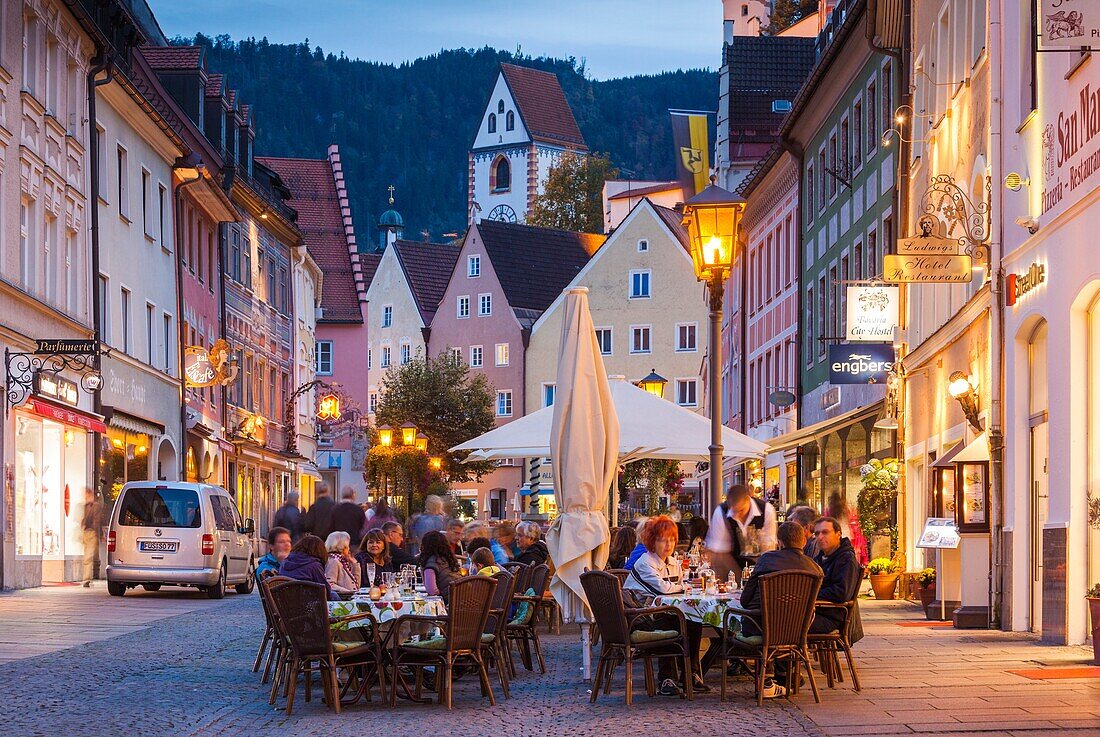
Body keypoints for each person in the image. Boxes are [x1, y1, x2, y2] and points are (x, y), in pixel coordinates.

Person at [622, 515, 711, 696]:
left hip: (658, 612)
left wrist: (683, 587)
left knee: (693, 620)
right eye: (663, 540)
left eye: (671, 540)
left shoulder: (673, 563)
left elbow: (678, 588)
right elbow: (663, 589)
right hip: (639, 617)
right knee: (672, 619)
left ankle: (690, 674)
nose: (668, 545)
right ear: (652, 542)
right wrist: (685, 586)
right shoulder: (645, 562)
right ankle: (666, 678)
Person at [738, 521, 822, 699]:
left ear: (780, 542)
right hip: (797, 630)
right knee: (783, 617)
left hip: (761, 627)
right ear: (804, 542)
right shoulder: (815, 568)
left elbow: (745, 601)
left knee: (736, 620)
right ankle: (784, 676)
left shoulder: (767, 559)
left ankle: (768, 680)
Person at [704, 483, 777, 583]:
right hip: (731, 571)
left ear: (748, 499)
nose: (737, 515)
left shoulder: (766, 510)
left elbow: (769, 549)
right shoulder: (721, 512)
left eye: (741, 510)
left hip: (760, 569)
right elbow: (719, 552)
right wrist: (737, 579)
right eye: (734, 512)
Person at [811, 517, 864, 641]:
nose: (820, 537)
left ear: (838, 534)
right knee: (785, 620)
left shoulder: (846, 559)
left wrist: (811, 594)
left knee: (787, 626)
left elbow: (842, 592)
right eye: (817, 533)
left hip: (833, 618)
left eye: (825, 532)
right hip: (817, 612)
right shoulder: (820, 558)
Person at [279, 534, 339, 600]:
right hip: (307, 604)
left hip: (286, 602)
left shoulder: (285, 562)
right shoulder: (314, 566)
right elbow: (326, 591)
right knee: (334, 595)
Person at [419, 530, 461, 602]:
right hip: (461, 599)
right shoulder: (449, 560)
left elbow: (432, 591)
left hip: (449, 605)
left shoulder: (430, 564)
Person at [324, 531, 361, 595]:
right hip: (342, 600)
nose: (349, 549)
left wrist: (354, 564)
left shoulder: (343, 562)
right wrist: (348, 592)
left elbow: (356, 586)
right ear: (342, 547)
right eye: (347, 546)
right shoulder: (333, 561)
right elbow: (330, 584)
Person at [80, 488, 104, 587]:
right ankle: (89, 576)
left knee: (88, 557)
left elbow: (98, 520)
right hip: (85, 532)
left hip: (92, 533)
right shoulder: (84, 506)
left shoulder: (96, 506)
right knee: (88, 556)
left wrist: (98, 533)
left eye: (86, 495)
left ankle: (86, 579)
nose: (85, 497)